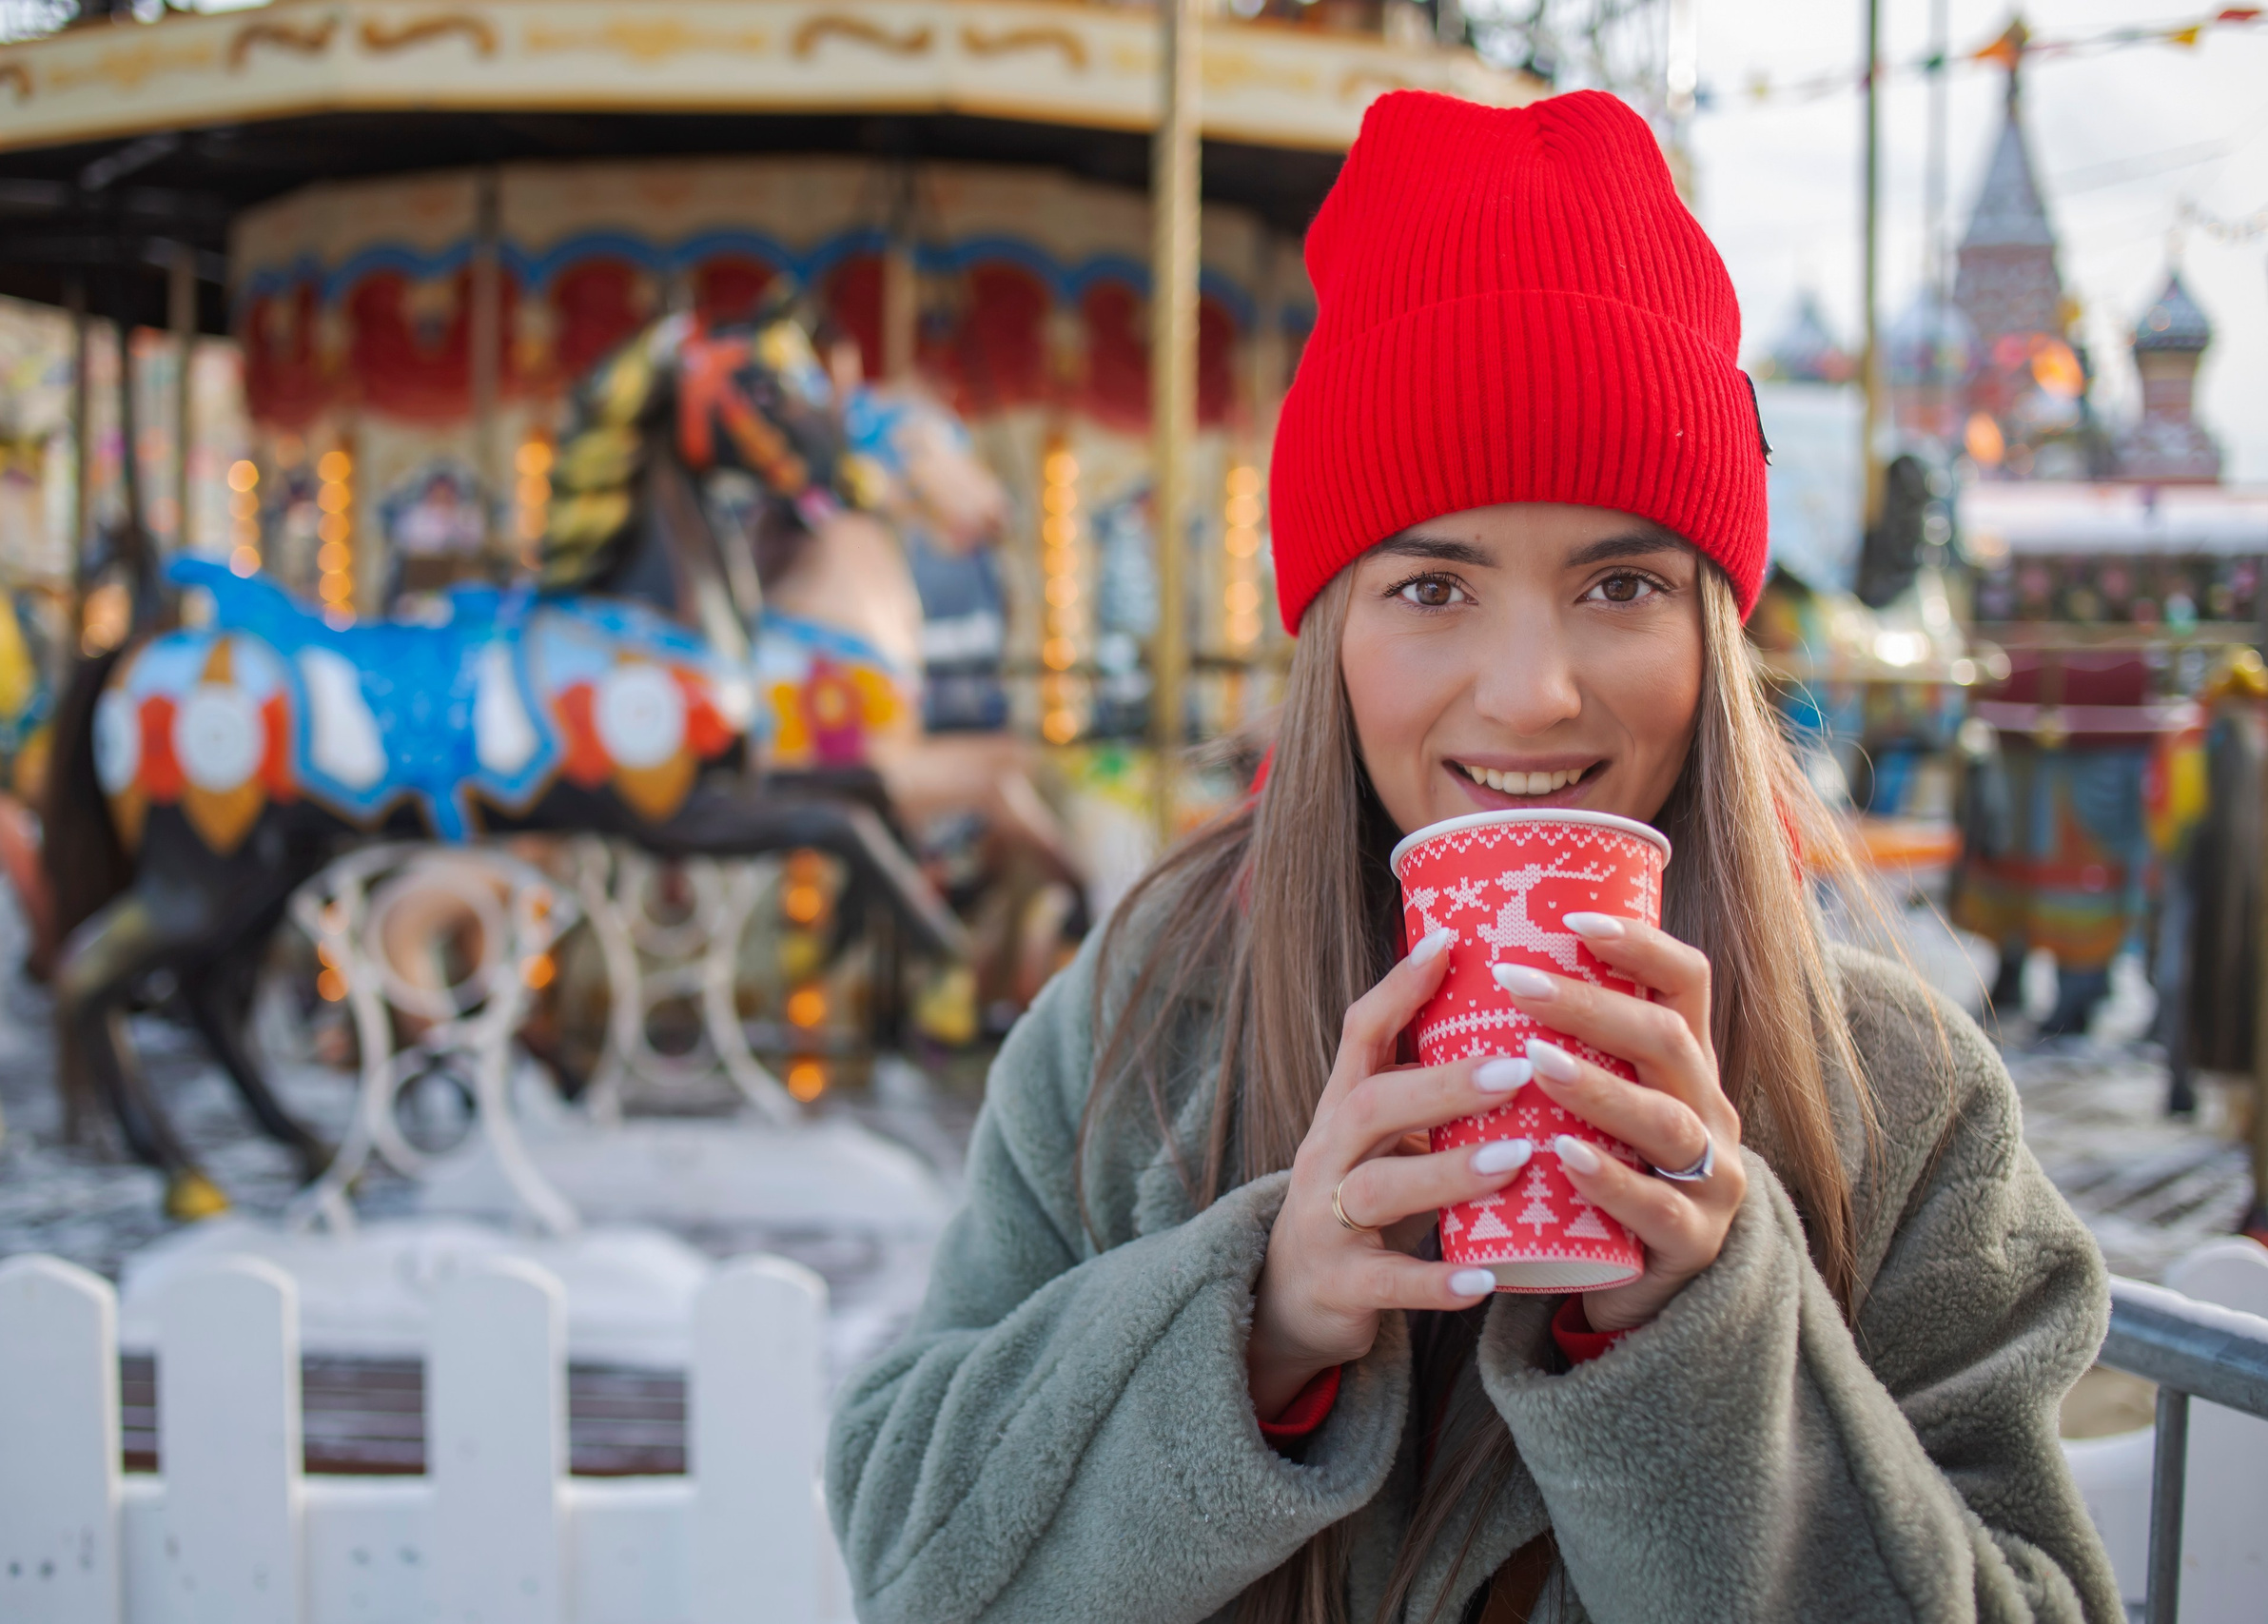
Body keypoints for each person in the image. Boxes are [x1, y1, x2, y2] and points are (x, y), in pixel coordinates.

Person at [827, 89, 2118, 1624]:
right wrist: (1259, 1321)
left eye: (1621, 585)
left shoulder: (1893, 1092)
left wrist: (1697, 1335)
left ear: (1712, 637)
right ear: (1332, 634)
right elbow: (915, 1566)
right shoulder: (1145, 1025)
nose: (1531, 692)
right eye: (1433, 589)